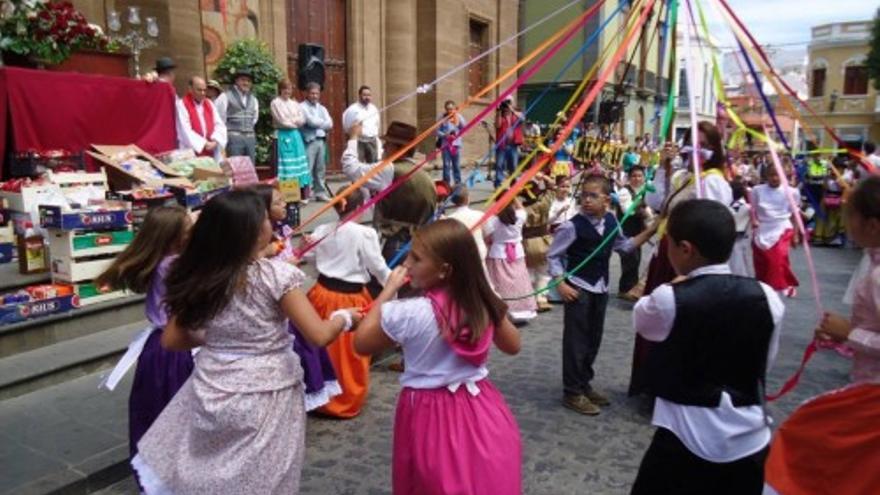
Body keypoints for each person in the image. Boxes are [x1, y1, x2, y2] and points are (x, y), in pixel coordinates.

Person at [131, 190, 361, 493]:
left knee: (209, 469)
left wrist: (220, 338)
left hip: (212, 386)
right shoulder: (277, 276)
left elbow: (173, 339)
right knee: (267, 474)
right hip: (269, 394)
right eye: (265, 217)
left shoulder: (200, 277)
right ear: (254, 230)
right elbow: (318, 335)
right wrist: (343, 318)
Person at [352, 219, 522, 495]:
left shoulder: (412, 312)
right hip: (482, 409)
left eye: (416, 258)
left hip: (430, 413)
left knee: (432, 482)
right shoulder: (480, 303)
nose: (407, 264)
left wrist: (387, 290)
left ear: (445, 270)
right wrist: (492, 305)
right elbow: (513, 345)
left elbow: (362, 343)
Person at [630, 199, 784, 495]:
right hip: (748, 432)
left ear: (685, 249)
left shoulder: (669, 299)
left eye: (669, 244)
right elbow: (765, 361)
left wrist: (676, 286)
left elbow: (643, 321)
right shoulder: (767, 296)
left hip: (683, 434)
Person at [764, 177, 880, 495]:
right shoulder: (872, 260)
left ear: (871, 224)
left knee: (805, 442)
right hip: (865, 387)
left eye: (850, 213)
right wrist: (843, 337)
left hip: (872, 398)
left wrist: (851, 333)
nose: (844, 219)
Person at [630, 121, 732, 397]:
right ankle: (651, 381)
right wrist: (664, 169)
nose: (697, 151)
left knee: (682, 320)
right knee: (660, 314)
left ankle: (676, 385)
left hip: (692, 258)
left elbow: (716, 224)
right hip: (668, 251)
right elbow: (656, 204)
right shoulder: (681, 177)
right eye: (692, 144)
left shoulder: (712, 181)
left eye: (705, 146)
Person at [95, 206, 192, 479]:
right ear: (176, 236)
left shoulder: (167, 261)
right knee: (175, 414)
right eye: (189, 227)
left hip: (160, 349)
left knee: (158, 411)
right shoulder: (174, 266)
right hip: (175, 350)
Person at [548, 175, 656, 415]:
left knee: (593, 339)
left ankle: (584, 383)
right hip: (579, 287)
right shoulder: (571, 226)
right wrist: (561, 284)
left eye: (592, 196)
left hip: (601, 287)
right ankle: (572, 392)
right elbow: (553, 256)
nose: (586, 200)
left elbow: (624, 246)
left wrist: (651, 231)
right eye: (583, 195)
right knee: (576, 342)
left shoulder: (611, 220)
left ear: (607, 200)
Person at [252, 184, 341, 411]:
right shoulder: (260, 242)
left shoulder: (283, 230)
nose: (284, 205)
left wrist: (299, 249)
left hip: (288, 297)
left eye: (283, 200)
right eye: (278, 203)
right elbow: (261, 269)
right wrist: (345, 320)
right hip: (276, 304)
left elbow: (288, 257)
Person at [305, 187, 391, 418]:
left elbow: (309, 256)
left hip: (320, 294)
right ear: (361, 207)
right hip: (351, 302)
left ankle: (319, 396)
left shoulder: (322, 229)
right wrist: (393, 285)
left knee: (320, 347)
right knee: (351, 352)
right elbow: (378, 268)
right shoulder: (365, 234)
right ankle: (344, 399)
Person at [484, 196, 538, 322]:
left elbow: (487, 236)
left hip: (498, 253)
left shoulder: (492, 220)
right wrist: (512, 196)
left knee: (500, 284)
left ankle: (504, 311)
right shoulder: (520, 216)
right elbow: (521, 208)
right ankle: (522, 310)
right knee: (520, 282)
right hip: (517, 253)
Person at [751, 165, 801, 298]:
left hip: (782, 227)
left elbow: (795, 214)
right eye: (772, 175)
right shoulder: (757, 190)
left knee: (777, 258)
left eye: (778, 175)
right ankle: (764, 285)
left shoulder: (792, 192)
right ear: (766, 175)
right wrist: (754, 222)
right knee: (763, 260)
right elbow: (753, 209)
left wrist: (796, 234)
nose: (775, 178)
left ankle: (778, 287)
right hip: (763, 228)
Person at [270, 80, 312, 202]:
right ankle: (287, 194)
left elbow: (302, 118)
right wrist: (294, 121)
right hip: (283, 135)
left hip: (295, 135)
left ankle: (301, 193)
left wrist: (294, 121)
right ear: (280, 89)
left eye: (289, 89)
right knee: (287, 165)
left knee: (298, 165)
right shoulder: (275, 103)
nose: (287, 91)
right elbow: (282, 120)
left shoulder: (294, 103)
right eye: (285, 89)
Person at [615, 165, 651, 301]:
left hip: (637, 232)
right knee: (630, 260)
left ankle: (632, 288)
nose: (637, 178)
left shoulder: (643, 190)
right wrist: (644, 211)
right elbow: (627, 211)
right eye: (634, 176)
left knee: (636, 260)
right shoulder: (624, 191)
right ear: (629, 178)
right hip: (626, 231)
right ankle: (625, 289)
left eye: (640, 176)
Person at [520, 174, 556, 312]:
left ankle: (529, 299)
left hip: (526, 242)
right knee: (543, 271)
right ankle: (541, 299)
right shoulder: (544, 203)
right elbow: (553, 187)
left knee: (528, 271)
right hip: (544, 241)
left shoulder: (520, 208)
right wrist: (544, 178)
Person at [176, 76, 227, 162]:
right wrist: (204, 143)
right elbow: (184, 130)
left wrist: (215, 141)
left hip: (211, 150)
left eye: (204, 90)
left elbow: (219, 125)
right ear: (190, 89)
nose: (203, 93)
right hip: (192, 151)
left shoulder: (209, 104)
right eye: (199, 90)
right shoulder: (182, 105)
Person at [444, 185, 490, 279]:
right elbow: (488, 235)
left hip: (461, 257)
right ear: (468, 198)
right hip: (479, 254)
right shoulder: (479, 215)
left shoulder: (450, 219)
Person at [215, 69, 259, 165]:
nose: (246, 83)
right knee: (234, 167)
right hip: (233, 138)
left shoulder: (253, 99)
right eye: (243, 80)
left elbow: (254, 118)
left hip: (250, 138)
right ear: (236, 81)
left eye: (248, 81)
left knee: (250, 168)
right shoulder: (225, 96)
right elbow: (219, 118)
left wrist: (247, 129)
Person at [300, 82, 334, 201]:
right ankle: (306, 194)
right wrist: (322, 123)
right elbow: (310, 122)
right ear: (307, 94)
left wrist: (319, 123)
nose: (314, 96)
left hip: (321, 141)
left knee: (320, 168)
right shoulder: (302, 107)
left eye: (317, 93)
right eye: (312, 93)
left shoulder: (322, 108)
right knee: (308, 168)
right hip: (309, 141)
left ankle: (320, 193)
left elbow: (330, 123)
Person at [343, 85, 382, 162]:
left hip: (372, 141)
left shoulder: (373, 108)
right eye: (364, 95)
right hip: (359, 142)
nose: (367, 97)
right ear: (359, 95)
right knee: (358, 164)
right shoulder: (352, 109)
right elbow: (347, 126)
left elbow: (377, 124)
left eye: (369, 95)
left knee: (373, 166)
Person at [494, 99, 524, 187]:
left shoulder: (516, 115)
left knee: (513, 166)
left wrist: (512, 110)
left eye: (508, 105)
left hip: (513, 145)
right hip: (502, 145)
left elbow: (522, 118)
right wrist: (499, 112)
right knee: (499, 165)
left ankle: (513, 183)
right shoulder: (500, 115)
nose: (506, 108)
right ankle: (498, 184)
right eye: (505, 106)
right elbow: (497, 125)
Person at [437, 100, 467, 185]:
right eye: (448, 109)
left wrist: (457, 115)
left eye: (451, 108)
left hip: (456, 145)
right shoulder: (442, 117)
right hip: (446, 145)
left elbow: (464, 127)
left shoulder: (458, 116)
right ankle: (446, 184)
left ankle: (458, 183)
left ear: (454, 108)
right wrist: (444, 135)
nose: (449, 110)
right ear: (445, 109)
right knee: (446, 165)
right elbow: (436, 131)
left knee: (456, 165)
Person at [728, 178, 753, 277]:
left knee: (736, 264)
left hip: (735, 237)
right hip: (742, 237)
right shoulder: (747, 206)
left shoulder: (735, 206)